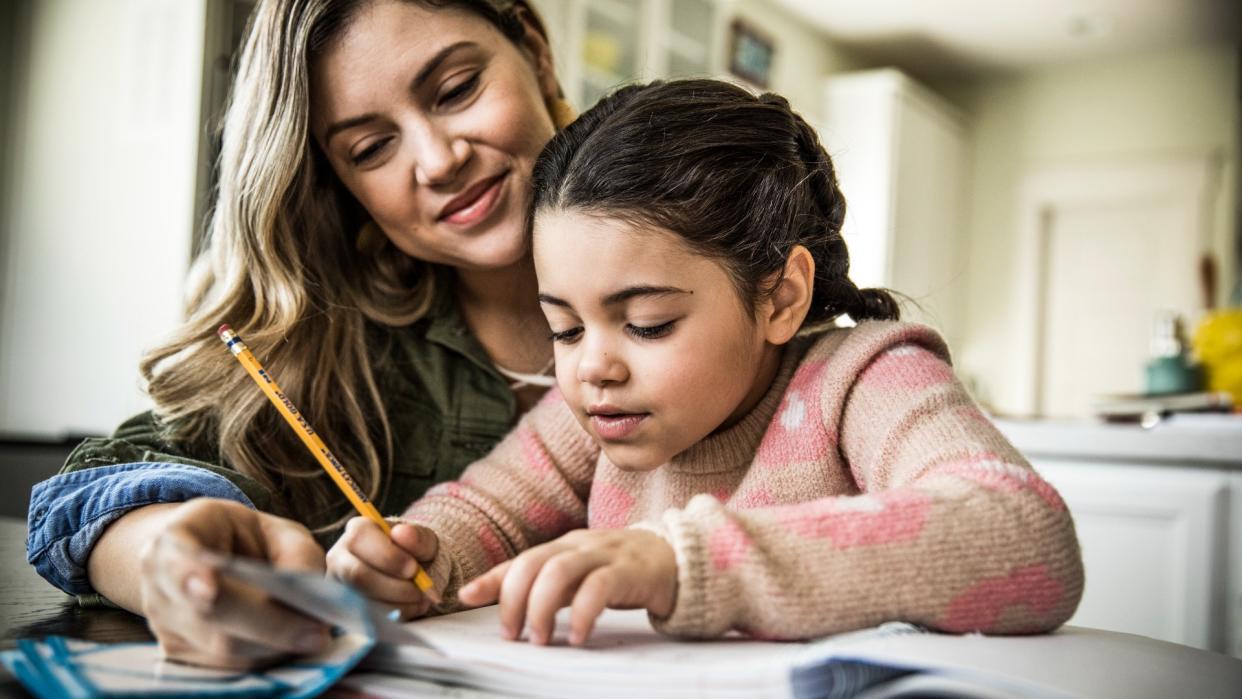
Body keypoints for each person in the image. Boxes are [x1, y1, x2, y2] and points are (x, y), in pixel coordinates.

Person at [327, 79, 1085, 646]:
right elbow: (482, 511)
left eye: (648, 324)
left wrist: (682, 560)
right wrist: (417, 554)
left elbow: (1026, 535)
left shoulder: (865, 378)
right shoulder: (592, 414)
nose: (593, 366)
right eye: (561, 327)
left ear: (781, 296)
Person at [26, 0, 575, 669]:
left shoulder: (723, 239)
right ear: (340, 181)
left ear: (538, 53)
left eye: (457, 90)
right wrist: (171, 562)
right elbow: (87, 490)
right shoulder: (336, 354)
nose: (438, 161)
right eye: (371, 148)